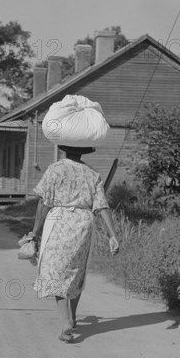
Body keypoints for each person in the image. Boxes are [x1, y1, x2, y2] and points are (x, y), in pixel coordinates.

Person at [29, 145, 119, 343]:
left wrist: (35, 231)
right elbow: (102, 206)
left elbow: (43, 202)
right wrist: (112, 234)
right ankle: (74, 315)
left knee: (55, 271)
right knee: (77, 270)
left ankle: (66, 321)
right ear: (83, 152)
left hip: (59, 222)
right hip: (84, 224)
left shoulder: (55, 169)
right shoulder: (92, 174)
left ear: (63, 150)